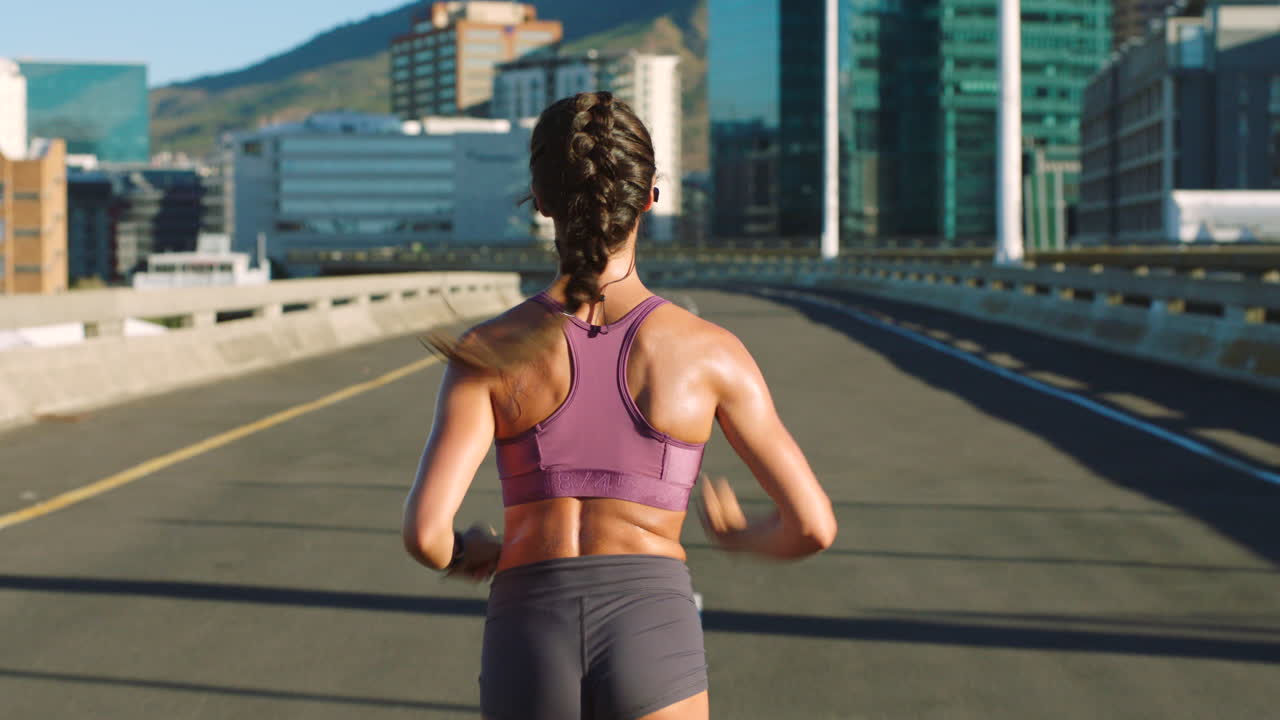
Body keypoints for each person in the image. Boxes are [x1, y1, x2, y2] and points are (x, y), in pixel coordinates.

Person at [402, 91, 838, 720]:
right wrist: (742, 537)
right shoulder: (711, 352)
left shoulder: (491, 349)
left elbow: (424, 534)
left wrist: (467, 551)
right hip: (651, 626)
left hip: (528, 627)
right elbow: (813, 526)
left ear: (542, 201)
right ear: (651, 199)